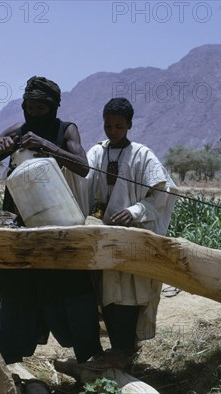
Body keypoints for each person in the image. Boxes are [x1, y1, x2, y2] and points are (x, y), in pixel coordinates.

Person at [0, 76, 103, 365]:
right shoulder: (18, 130)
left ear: (52, 108)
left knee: (73, 292)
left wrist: (47, 146)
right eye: (29, 107)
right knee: (15, 292)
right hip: (20, 228)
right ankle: (8, 365)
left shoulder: (66, 130)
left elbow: (83, 167)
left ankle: (89, 363)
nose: (34, 113)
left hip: (58, 226)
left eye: (40, 108)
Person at [84, 97, 178, 367]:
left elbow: (164, 191)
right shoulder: (96, 153)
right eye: (107, 125)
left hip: (132, 239)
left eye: (118, 126)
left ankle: (125, 350)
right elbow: (84, 182)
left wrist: (135, 211)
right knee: (107, 293)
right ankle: (119, 349)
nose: (112, 131)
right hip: (102, 238)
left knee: (126, 292)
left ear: (129, 126)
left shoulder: (143, 155)